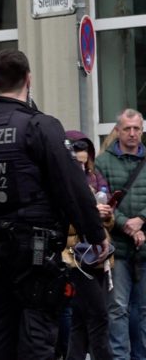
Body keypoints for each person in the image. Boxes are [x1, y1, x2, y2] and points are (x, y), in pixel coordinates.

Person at [0, 49, 108, 360]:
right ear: (28, 80)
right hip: (38, 253)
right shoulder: (41, 126)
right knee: (37, 338)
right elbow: (71, 186)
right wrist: (96, 235)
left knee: (1, 336)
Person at [95, 108, 146, 359]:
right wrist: (128, 224)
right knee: (117, 309)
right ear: (118, 130)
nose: (133, 133)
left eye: (137, 128)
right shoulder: (103, 162)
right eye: (127, 128)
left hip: (145, 247)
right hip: (118, 249)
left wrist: (142, 220)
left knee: (145, 310)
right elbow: (103, 203)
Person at [61, 130, 114, 360]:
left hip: (96, 260)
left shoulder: (93, 180)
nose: (81, 169)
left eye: (85, 163)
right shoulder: (62, 184)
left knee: (81, 323)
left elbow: (105, 226)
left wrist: (105, 214)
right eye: (77, 164)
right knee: (98, 319)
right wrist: (91, 212)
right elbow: (66, 224)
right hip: (76, 261)